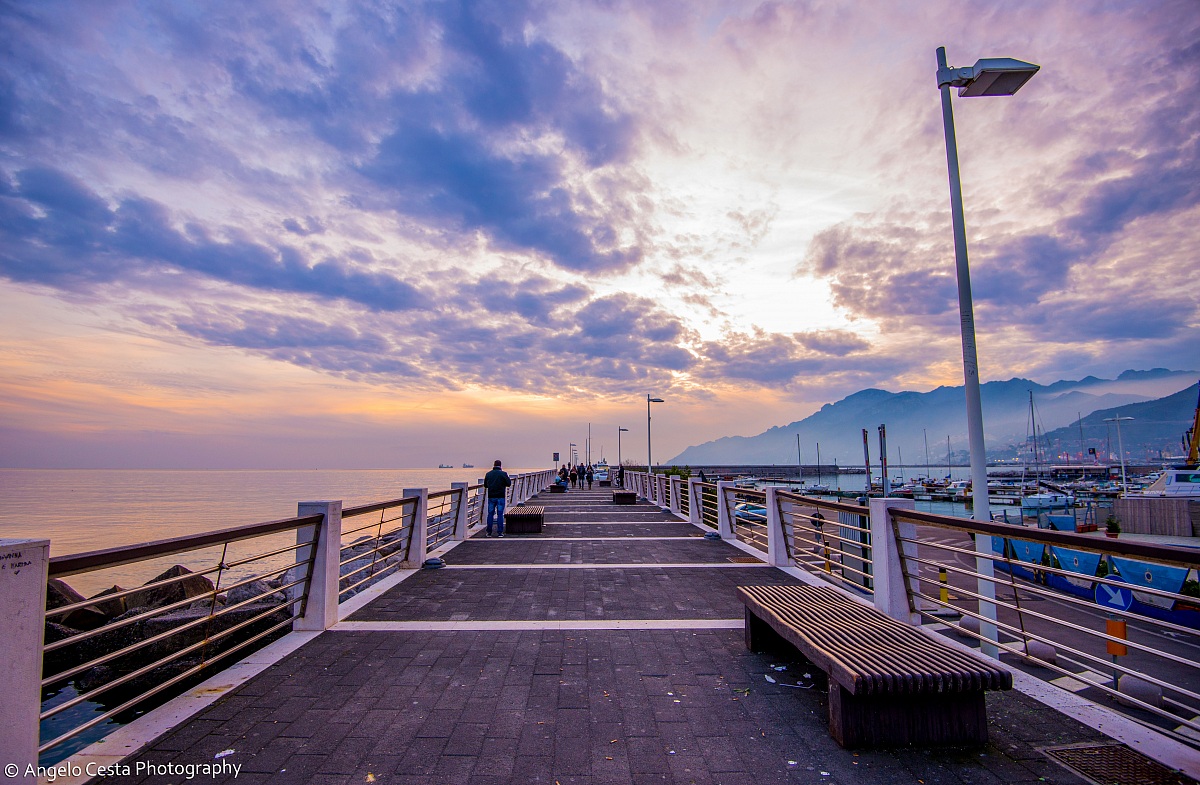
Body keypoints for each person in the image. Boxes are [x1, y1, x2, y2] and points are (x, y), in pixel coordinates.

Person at [483, 459, 511, 537]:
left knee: (490, 514)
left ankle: (489, 532)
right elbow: (509, 484)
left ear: (494, 465)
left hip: (491, 497)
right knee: (500, 514)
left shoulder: (488, 474)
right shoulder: (503, 474)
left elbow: (485, 485)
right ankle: (500, 532)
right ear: (500, 465)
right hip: (500, 496)